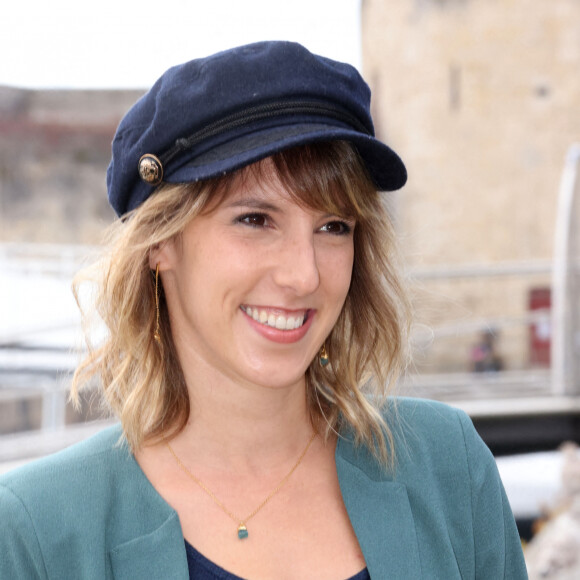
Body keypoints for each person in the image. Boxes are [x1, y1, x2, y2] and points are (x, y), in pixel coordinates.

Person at [0, 41, 528, 579]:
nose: (304, 275)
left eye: (333, 227)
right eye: (255, 219)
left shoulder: (448, 466)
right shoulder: (35, 532)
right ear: (160, 243)